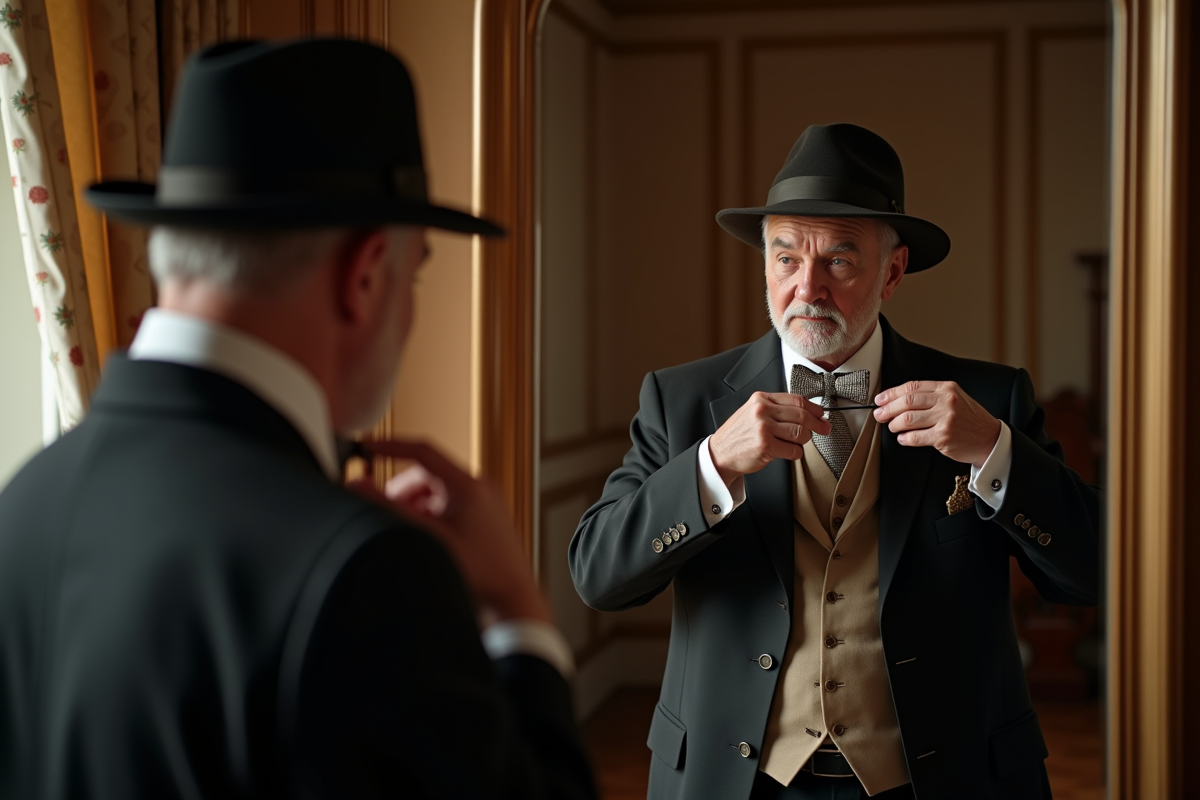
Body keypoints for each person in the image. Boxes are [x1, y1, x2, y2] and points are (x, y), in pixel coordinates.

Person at [0, 38, 596, 799]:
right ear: (368, 272)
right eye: (414, 275)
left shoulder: (24, 502)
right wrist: (518, 614)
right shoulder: (365, 572)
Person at [568, 123, 1099, 800]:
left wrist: (996, 453)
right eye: (786, 258)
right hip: (738, 781)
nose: (808, 287)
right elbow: (598, 577)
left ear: (893, 271)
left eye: (840, 261)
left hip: (940, 777)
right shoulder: (682, 400)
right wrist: (711, 466)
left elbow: (1093, 574)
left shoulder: (990, 400)